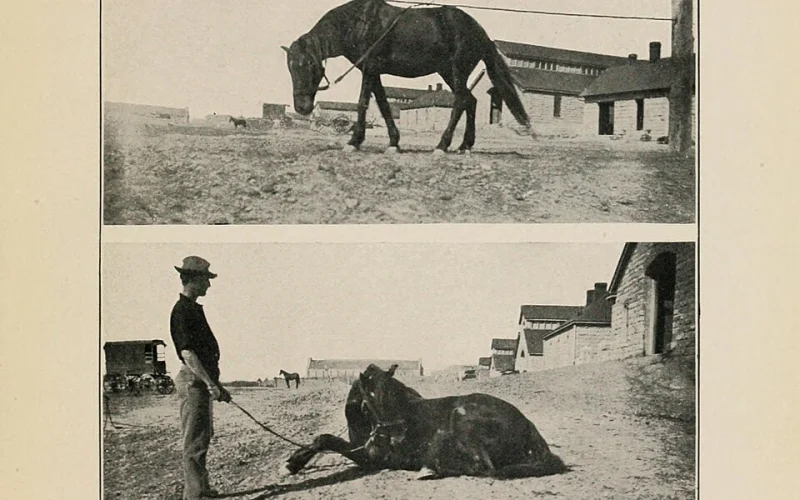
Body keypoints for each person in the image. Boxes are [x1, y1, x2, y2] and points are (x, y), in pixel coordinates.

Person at [170, 256, 232, 500]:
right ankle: (194, 496)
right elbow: (188, 354)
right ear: (193, 279)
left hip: (201, 382)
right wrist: (209, 384)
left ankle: (201, 490)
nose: (209, 284)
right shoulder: (182, 311)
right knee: (194, 443)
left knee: (202, 438)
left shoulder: (192, 308)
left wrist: (216, 386)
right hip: (193, 381)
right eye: (206, 279)